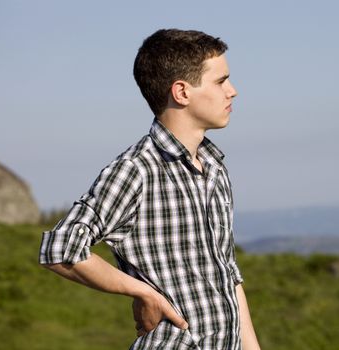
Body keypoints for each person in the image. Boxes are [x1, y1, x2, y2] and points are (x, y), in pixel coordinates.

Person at [39, 28, 261, 350]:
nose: (233, 91)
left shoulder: (214, 167)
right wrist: (142, 291)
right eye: (220, 81)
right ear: (182, 92)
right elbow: (60, 250)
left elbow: (228, 273)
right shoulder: (136, 170)